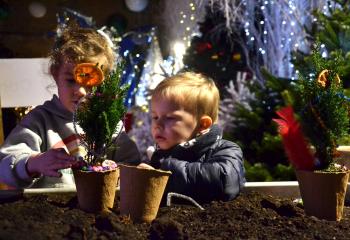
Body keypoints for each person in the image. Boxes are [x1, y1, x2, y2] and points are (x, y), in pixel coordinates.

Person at [0, 26, 140, 188]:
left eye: (90, 82)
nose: (80, 91)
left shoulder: (110, 125)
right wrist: (34, 163)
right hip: (49, 209)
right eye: (71, 80)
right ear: (55, 74)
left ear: (104, 82)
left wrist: (127, 173)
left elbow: (131, 164)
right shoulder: (40, 121)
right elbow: (4, 165)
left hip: (100, 210)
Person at [145, 72, 245, 203]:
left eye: (170, 118)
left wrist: (164, 172)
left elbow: (224, 182)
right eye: (155, 117)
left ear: (202, 125)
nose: (157, 125)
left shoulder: (225, 150)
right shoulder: (160, 156)